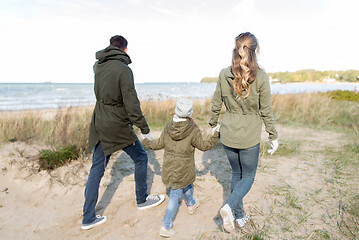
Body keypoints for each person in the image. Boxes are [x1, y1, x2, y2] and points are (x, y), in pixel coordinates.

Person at [82, 35, 165, 230]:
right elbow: (131, 103)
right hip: (116, 123)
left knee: (97, 169)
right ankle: (142, 199)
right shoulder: (124, 70)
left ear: (110, 47)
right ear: (125, 50)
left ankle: (87, 218)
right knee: (141, 158)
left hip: (99, 121)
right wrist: (144, 128)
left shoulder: (97, 66)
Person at [209, 32, 279, 233]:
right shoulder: (261, 76)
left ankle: (239, 217)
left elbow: (216, 102)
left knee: (236, 173)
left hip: (228, 133)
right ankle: (230, 207)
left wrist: (213, 123)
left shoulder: (224, 73)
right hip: (248, 136)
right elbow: (266, 110)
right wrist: (273, 135)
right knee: (247, 176)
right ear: (255, 50)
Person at [141, 98, 220, 238]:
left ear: (176, 111)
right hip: (184, 167)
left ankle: (191, 204)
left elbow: (158, 144)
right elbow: (204, 146)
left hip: (170, 166)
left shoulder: (168, 126)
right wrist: (216, 135)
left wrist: (145, 140)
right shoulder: (192, 129)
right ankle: (165, 225)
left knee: (187, 182)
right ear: (189, 113)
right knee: (175, 193)